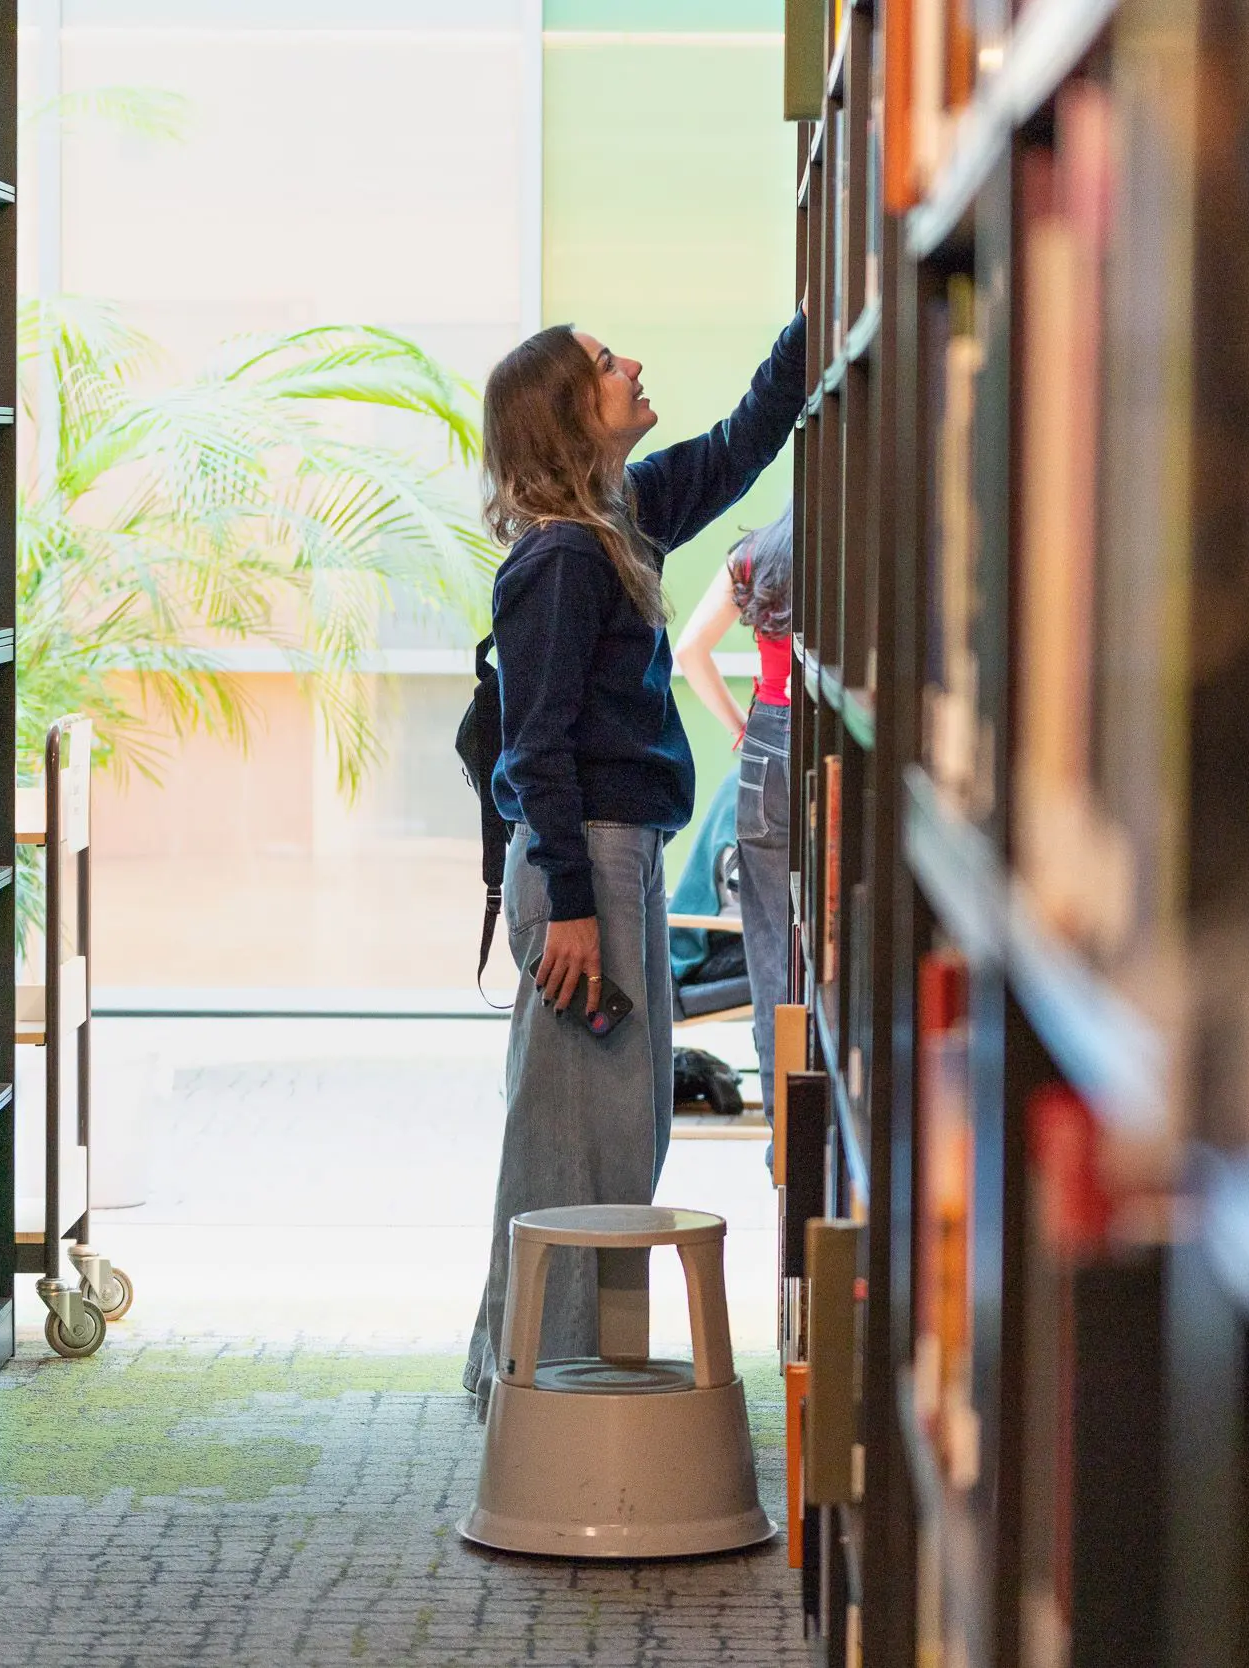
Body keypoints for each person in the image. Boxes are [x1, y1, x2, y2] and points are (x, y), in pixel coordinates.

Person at [464, 314, 807, 1413]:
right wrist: (570, 906)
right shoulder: (563, 558)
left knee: (609, 1142)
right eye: (608, 365)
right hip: (586, 876)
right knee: (581, 1156)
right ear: (570, 410)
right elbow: (536, 747)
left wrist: (829, 293)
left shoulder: (619, 521)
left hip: (617, 867)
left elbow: (747, 436)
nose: (636, 366)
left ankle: (543, 1376)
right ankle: (545, 1393)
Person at [675, 501, 794, 1127]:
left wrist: (741, 727)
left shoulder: (760, 553)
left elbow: (691, 648)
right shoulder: (854, 541)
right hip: (840, 740)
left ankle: (785, 1135)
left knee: (772, 950)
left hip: (769, 744)